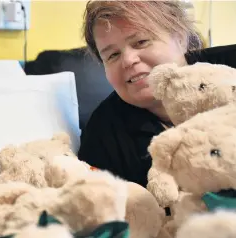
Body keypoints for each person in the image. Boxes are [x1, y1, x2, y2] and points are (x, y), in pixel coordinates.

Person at [78, 0, 236, 189]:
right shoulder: (103, 134)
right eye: (112, 55)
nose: (128, 60)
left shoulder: (230, 66)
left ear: (180, 37)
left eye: (141, 42)